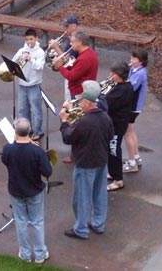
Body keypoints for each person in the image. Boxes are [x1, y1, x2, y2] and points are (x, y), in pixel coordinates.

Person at [59, 80, 114, 239]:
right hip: (102, 162)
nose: (80, 103)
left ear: (88, 103)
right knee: (99, 195)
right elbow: (110, 136)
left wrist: (64, 121)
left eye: (82, 100)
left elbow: (68, 137)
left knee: (82, 198)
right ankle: (98, 224)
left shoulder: (84, 122)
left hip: (85, 164)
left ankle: (81, 229)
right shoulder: (105, 117)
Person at [1, 118, 52, 263]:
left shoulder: (8, 149)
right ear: (29, 131)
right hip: (34, 191)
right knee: (37, 222)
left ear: (15, 132)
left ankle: (25, 254)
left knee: (21, 222)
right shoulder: (37, 151)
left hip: (16, 191)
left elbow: (5, 160)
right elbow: (47, 172)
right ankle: (40, 254)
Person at [54, 31, 99, 163]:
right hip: (80, 91)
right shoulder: (87, 54)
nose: (71, 44)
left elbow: (71, 76)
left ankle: (76, 154)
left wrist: (60, 66)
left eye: (73, 42)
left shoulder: (85, 58)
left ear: (80, 42)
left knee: (76, 123)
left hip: (79, 93)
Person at [12, 28, 45, 142]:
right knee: (22, 110)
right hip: (22, 85)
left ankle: (37, 132)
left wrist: (31, 59)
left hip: (34, 85)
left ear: (36, 38)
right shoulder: (22, 50)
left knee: (36, 110)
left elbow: (39, 66)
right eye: (27, 40)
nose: (29, 42)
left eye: (31, 39)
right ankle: (25, 129)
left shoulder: (40, 52)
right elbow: (13, 62)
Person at [106, 62, 134, 191]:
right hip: (115, 123)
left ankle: (118, 180)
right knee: (111, 149)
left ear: (121, 75)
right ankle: (113, 173)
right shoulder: (121, 86)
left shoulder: (123, 90)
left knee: (113, 150)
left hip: (117, 125)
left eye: (114, 74)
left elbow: (107, 102)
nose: (111, 76)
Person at [123, 49, 148, 173]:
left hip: (132, 108)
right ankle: (136, 157)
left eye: (134, 59)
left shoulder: (140, 74)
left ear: (141, 62)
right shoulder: (135, 70)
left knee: (126, 133)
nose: (131, 61)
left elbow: (129, 88)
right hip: (132, 107)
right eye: (131, 58)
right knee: (131, 131)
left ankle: (132, 162)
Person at [48, 15, 79, 101]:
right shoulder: (70, 39)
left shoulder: (76, 41)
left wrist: (56, 47)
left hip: (74, 76)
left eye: (66, 26)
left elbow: (67, 59)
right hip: (68, 74)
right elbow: (65, 55)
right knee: (68, 101)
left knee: (71, 101)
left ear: (74, 27)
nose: (65, 29)